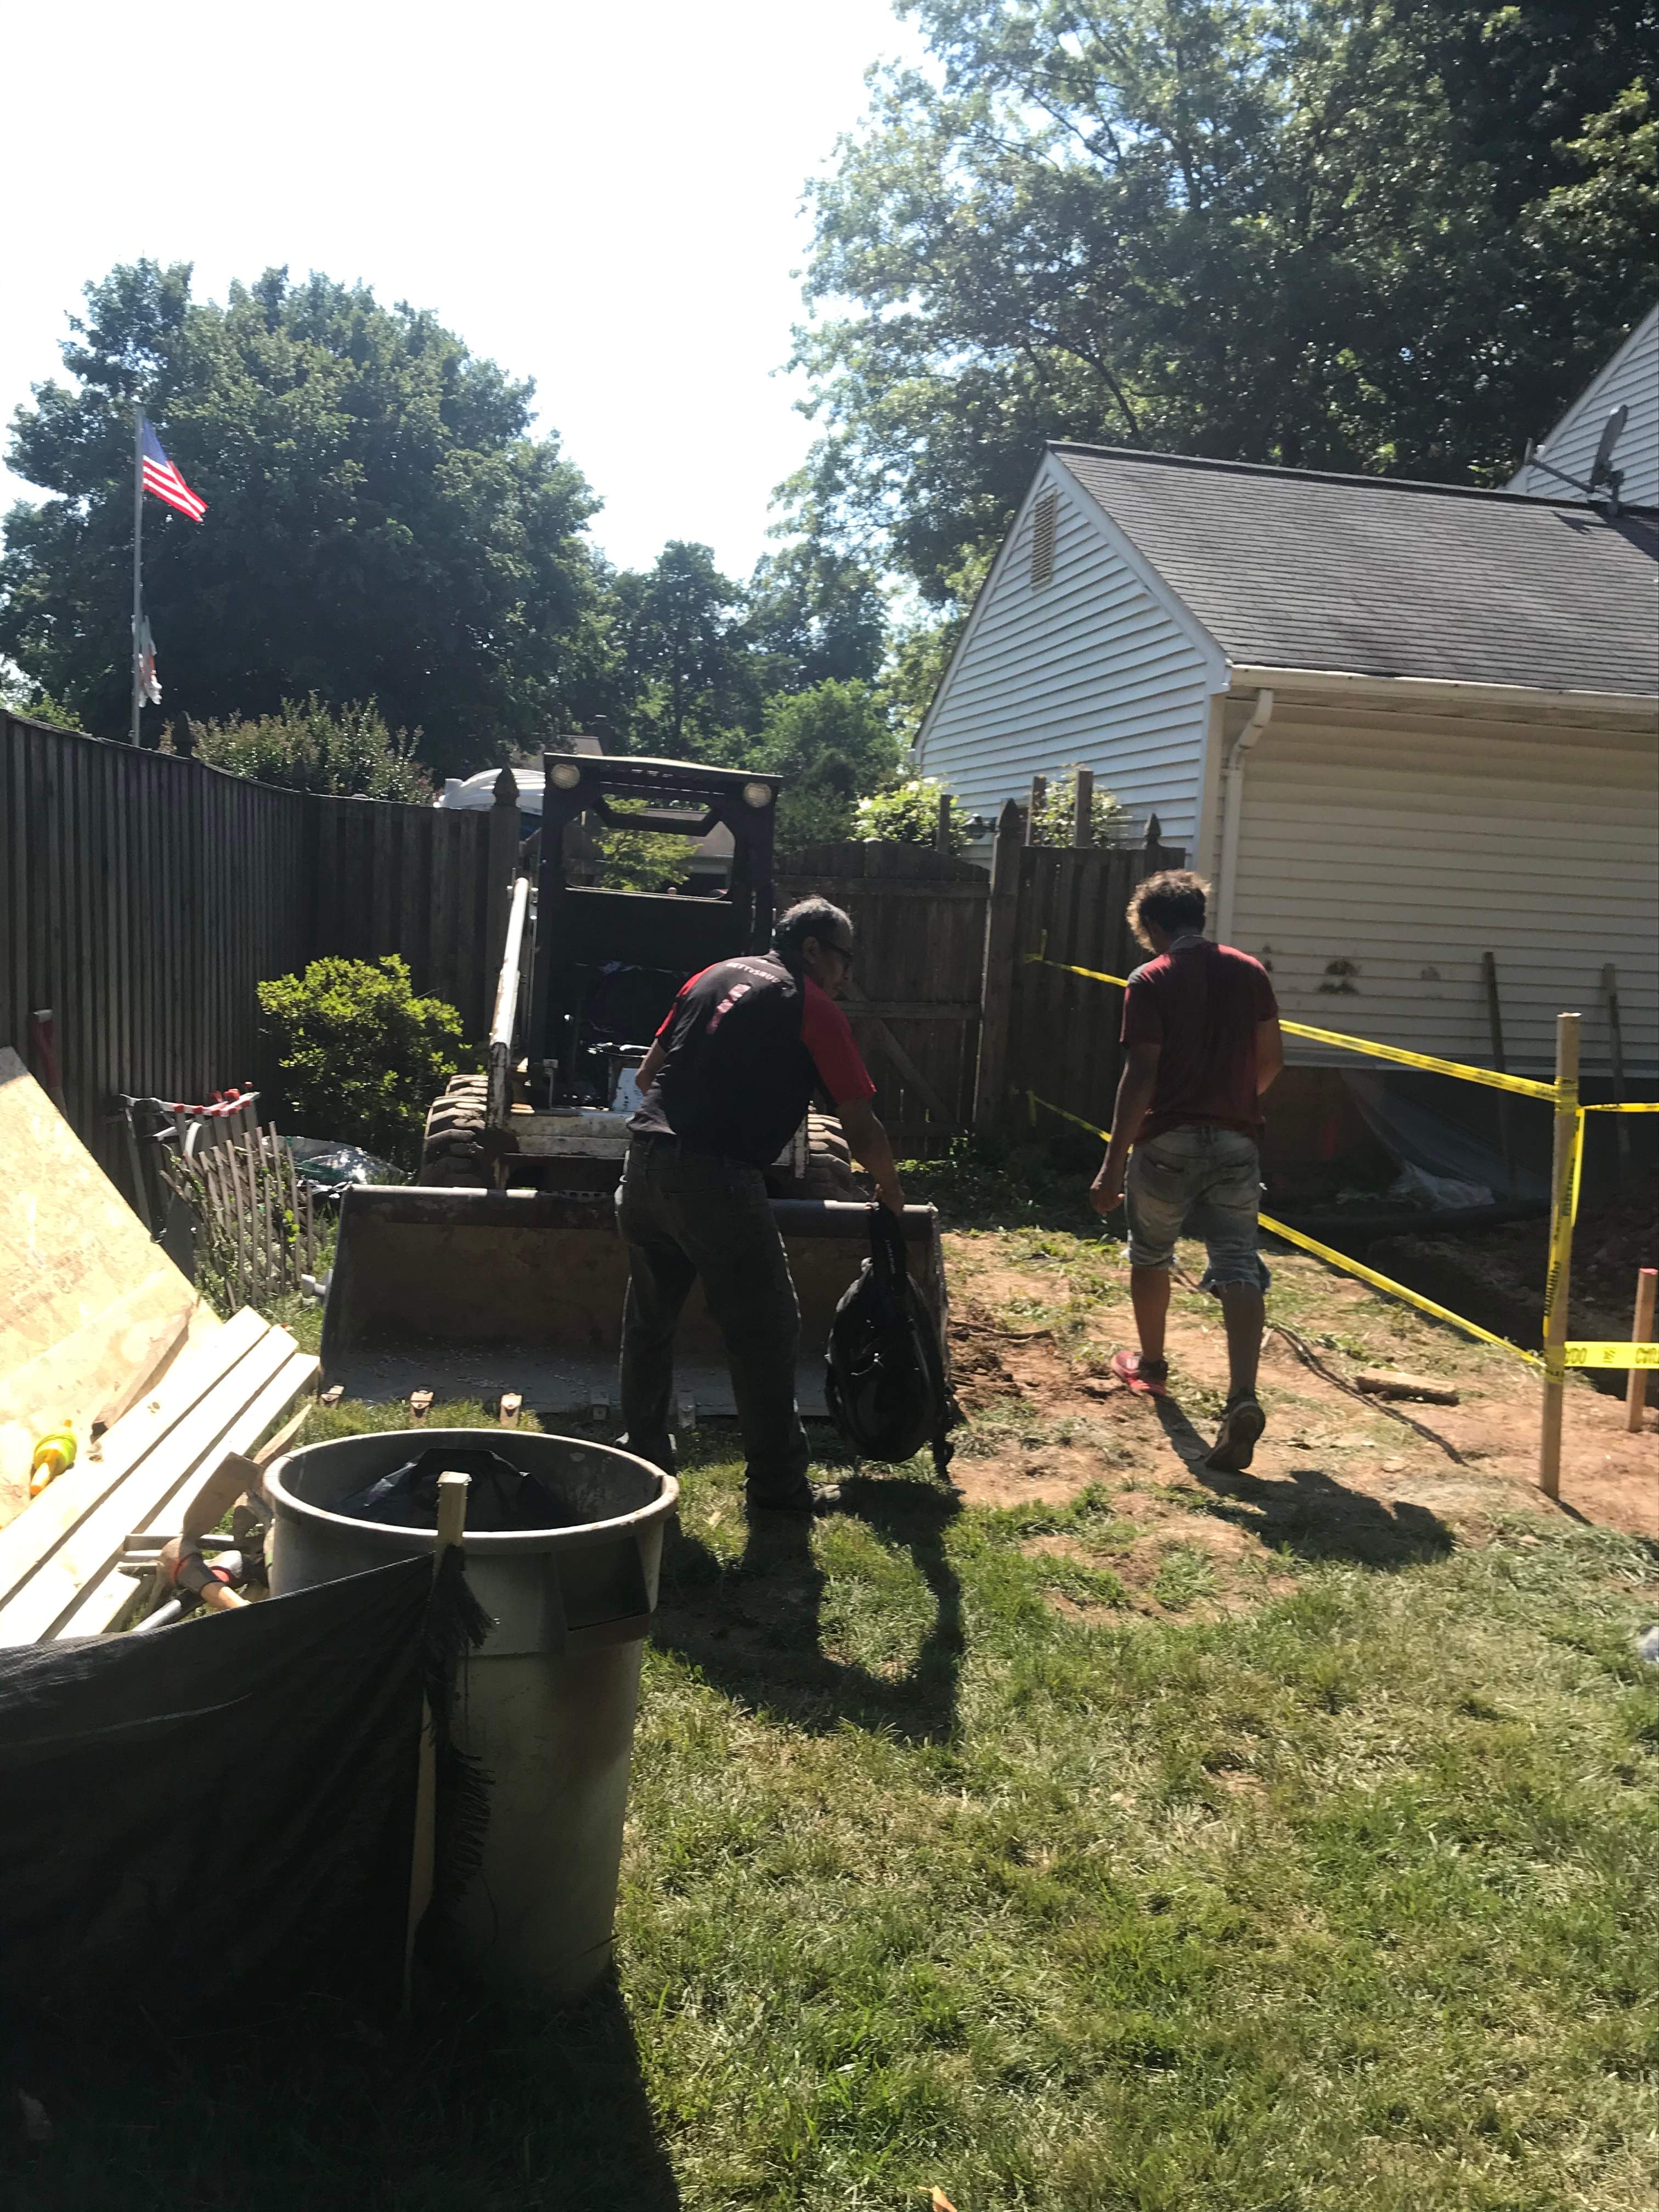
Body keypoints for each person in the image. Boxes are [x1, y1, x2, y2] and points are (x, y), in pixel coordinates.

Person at [618, 897, 905, 1515]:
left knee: (649, 1322)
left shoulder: (711, 975)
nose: (846, 976)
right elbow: (859, 1120)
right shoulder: (812, 1007)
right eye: (844, 959)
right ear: (812, 951)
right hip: (714, 1177)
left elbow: (647, 1077)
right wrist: (890, 1188)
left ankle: (642, 1457)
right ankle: (778, 1489)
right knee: (767, 1328)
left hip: (642, 1165)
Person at [1088, 870, 1284, 1471]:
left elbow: (1140, 1075)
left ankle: (1151, 1366)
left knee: (1151, 1252)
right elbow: (1273, 1059)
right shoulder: (1250, 973)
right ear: (1198, 915)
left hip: (1167, 1140)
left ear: (1151, 925)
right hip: (1236, 1140)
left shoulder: (1150, 979)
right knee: (1237, 1262)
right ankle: (1242, 1396)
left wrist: (1111, 1165)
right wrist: (1233, 1105)